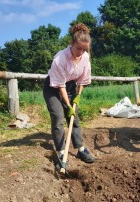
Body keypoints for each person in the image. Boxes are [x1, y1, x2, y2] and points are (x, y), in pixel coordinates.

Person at [43, 23, 95, 164]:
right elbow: (60, 86)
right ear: (71, 43)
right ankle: (61, 152)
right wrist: (68, 105)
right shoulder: (60, 59)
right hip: (53, 88)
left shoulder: (85, 57)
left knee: (74, 117)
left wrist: (77, 96)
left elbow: (83, 80)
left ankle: (80, 149)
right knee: (59, 117)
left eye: (84, 50)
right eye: (78, 48)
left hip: (71, 86)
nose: (81, 52)